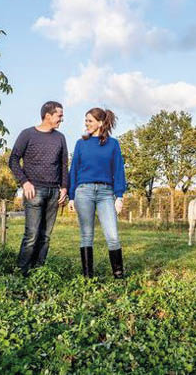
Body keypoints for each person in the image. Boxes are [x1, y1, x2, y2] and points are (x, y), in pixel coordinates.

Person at [9, 101, 68, 277]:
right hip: (34, 191)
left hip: (54, 192)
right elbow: (13, 160)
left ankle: (38, 273)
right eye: (59, 115)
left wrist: (65, 188)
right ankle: (22, 273)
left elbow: (64, 164)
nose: (61, 119)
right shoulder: (27, 134)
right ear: (48, 115)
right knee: (32, 235)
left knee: (45, 237)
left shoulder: (60, 137)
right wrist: (24, 182)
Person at [68, 107, 126, 279]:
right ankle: (88, 278)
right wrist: (71, 197)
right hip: (83, 192)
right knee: (86, 235)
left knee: (113, 236)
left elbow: (118, 171)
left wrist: (119, 196)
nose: (86, 124)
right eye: (85, 120)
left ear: (100, 123)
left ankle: (118, 275)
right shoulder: (80, 143)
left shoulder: (113, 144)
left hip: (106, 193)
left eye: (90, 120)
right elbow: (74, 171)